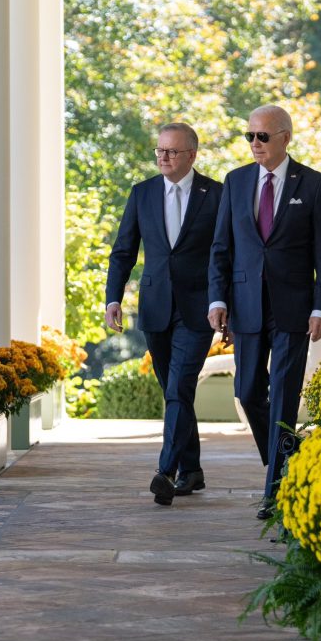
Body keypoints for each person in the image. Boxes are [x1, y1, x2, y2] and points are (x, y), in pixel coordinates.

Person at [208, 105, 321, 519]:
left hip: (294, 309)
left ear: (285, 137)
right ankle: (289, 458)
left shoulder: (314, 185)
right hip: (245, 307)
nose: (254, 144)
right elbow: (221, 249)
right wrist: (218, 299)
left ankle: (277, 489)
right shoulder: (236, 181)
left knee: (283, 395)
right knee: (247, 391)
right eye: (249, 136)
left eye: (262, 137)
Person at [105, 123, 223, 506]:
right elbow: (123, 250)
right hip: (155, 309)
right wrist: (113, 297)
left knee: (178, 389)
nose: (163, 157)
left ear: (192, 154)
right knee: (175, 393)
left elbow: (228, 254)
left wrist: (227, 308)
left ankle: (165, 472)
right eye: (159, 151)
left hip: (199, 310)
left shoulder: (217, 195)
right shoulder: (142, 193)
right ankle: (193, 470)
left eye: (172, 151)